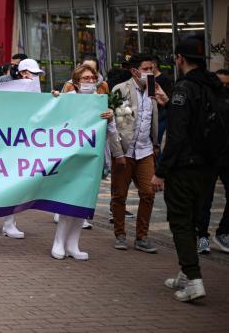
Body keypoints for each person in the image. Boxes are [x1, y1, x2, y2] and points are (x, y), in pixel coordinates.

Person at [152, 39, 223, 302]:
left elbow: (178, 134)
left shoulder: (185, 88)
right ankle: (185, 273)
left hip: (184, 167)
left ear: (179, 58)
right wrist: (169, 104)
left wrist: (161, 171)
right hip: (209, 167)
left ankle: (193, 280)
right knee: (194, 220)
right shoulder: (214, 86)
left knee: (180, 222)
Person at [51, 65, 120, 260]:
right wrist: (55, 100)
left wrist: (111, 119)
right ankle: (59, 242)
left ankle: (73, 244)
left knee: (84, 203)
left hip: (92, 161)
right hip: (71, 158)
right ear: (76, 82)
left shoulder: (101, 104)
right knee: (68, 200)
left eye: (92, 78)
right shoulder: (68, 101)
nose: (89, 81)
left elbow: (111, 135)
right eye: (85, 78)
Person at [108, 54, 159, 253]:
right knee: (119, 195)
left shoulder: (154, 88)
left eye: (152, 68)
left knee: (148, 193)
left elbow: (155, 116)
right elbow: (112, 123)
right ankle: (120, 234)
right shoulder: (120, 89)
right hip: (125, 150)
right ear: (135, 71)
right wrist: (117, 152)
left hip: (145, 149)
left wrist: (155, 143)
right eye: (146, 68)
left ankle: (142, 236)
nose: (151, 72)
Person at [0, 58, 45, 239]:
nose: (35, 78)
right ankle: (8, 222)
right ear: (22, 73)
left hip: (28, 143)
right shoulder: (9, 89)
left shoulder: (38, 92)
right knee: (10, 181)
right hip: (9, 143)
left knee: (18, 182)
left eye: (37, 74)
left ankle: (9, 222)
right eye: (32, 74)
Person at [201, 69, 229, 254]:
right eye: (221, 84)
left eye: (228, 85)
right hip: (207, 157)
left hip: (226, 156)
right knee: (205, 199)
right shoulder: (203, 101)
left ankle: (224, 232)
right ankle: (201, 235)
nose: (224, 88)